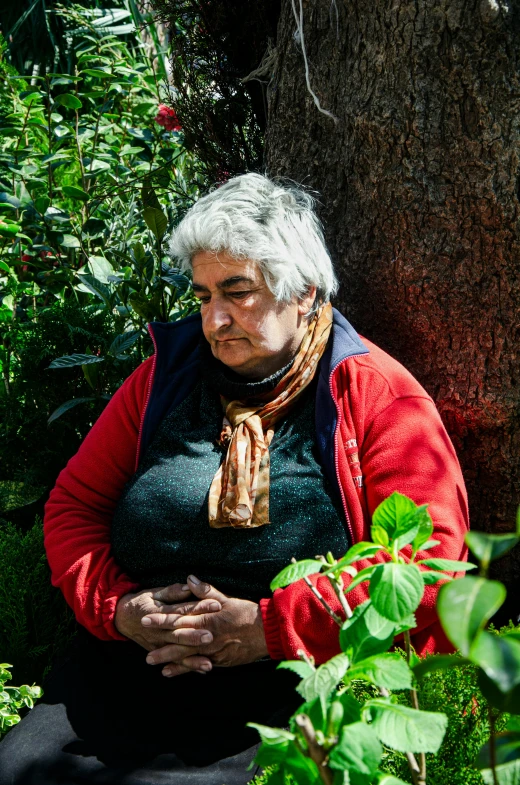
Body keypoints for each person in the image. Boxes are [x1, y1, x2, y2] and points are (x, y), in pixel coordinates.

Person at [0, 173, 469, 784]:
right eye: (202, 296)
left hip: (298, 677)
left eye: (237, 292)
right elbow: (75, 505)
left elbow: (428, 559)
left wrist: (266, 629)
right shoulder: (162, 380)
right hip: (135, 663)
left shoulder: (373, 392)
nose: (215, 320)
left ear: (302, 290)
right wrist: (120, 609)